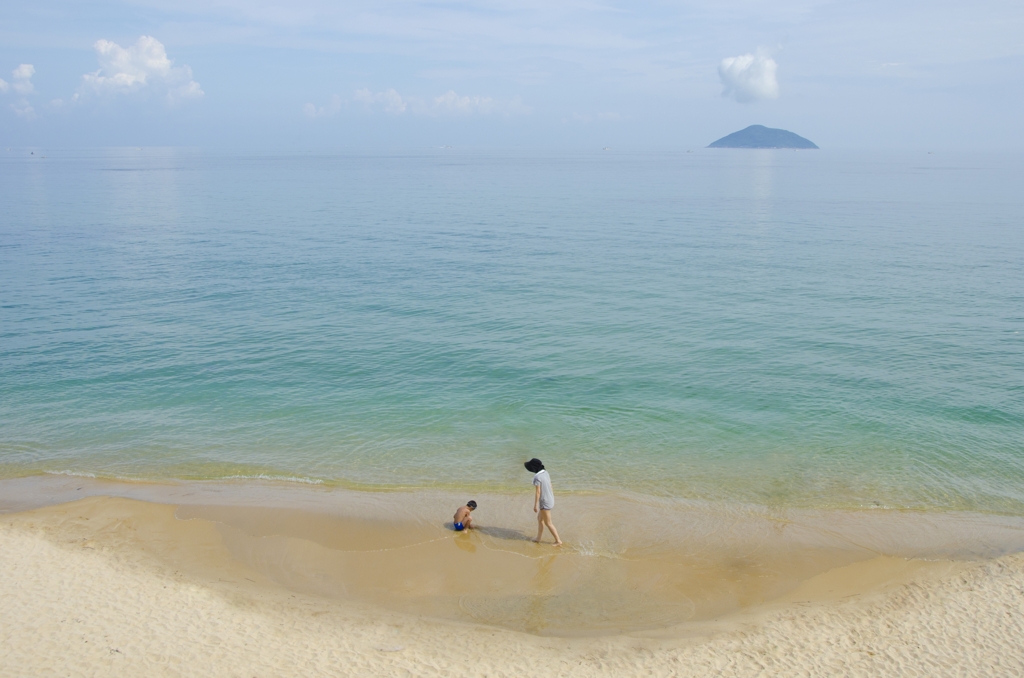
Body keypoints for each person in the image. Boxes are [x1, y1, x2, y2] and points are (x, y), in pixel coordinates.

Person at [524, 458, 562, 546]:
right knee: (540, 519)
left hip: (545, 502)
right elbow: (550, 485)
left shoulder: (537, 477)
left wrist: (535, 505)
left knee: (548, 523)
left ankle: (558, 541)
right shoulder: (545, 472)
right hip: (550, 499)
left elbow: (538, 492)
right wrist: (551, 496)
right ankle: (538, 538)